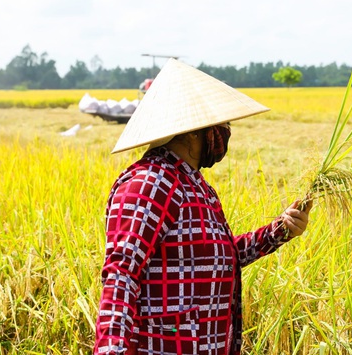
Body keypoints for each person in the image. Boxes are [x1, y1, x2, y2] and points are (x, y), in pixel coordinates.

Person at [94, 59, 311, 355]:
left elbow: (220, 255)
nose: (227, 132)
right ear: (195, 131)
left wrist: (280, 231)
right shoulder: (150, 183)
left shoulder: (194, 184)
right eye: (223, 124)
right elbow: (121, 273)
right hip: (166, 346)